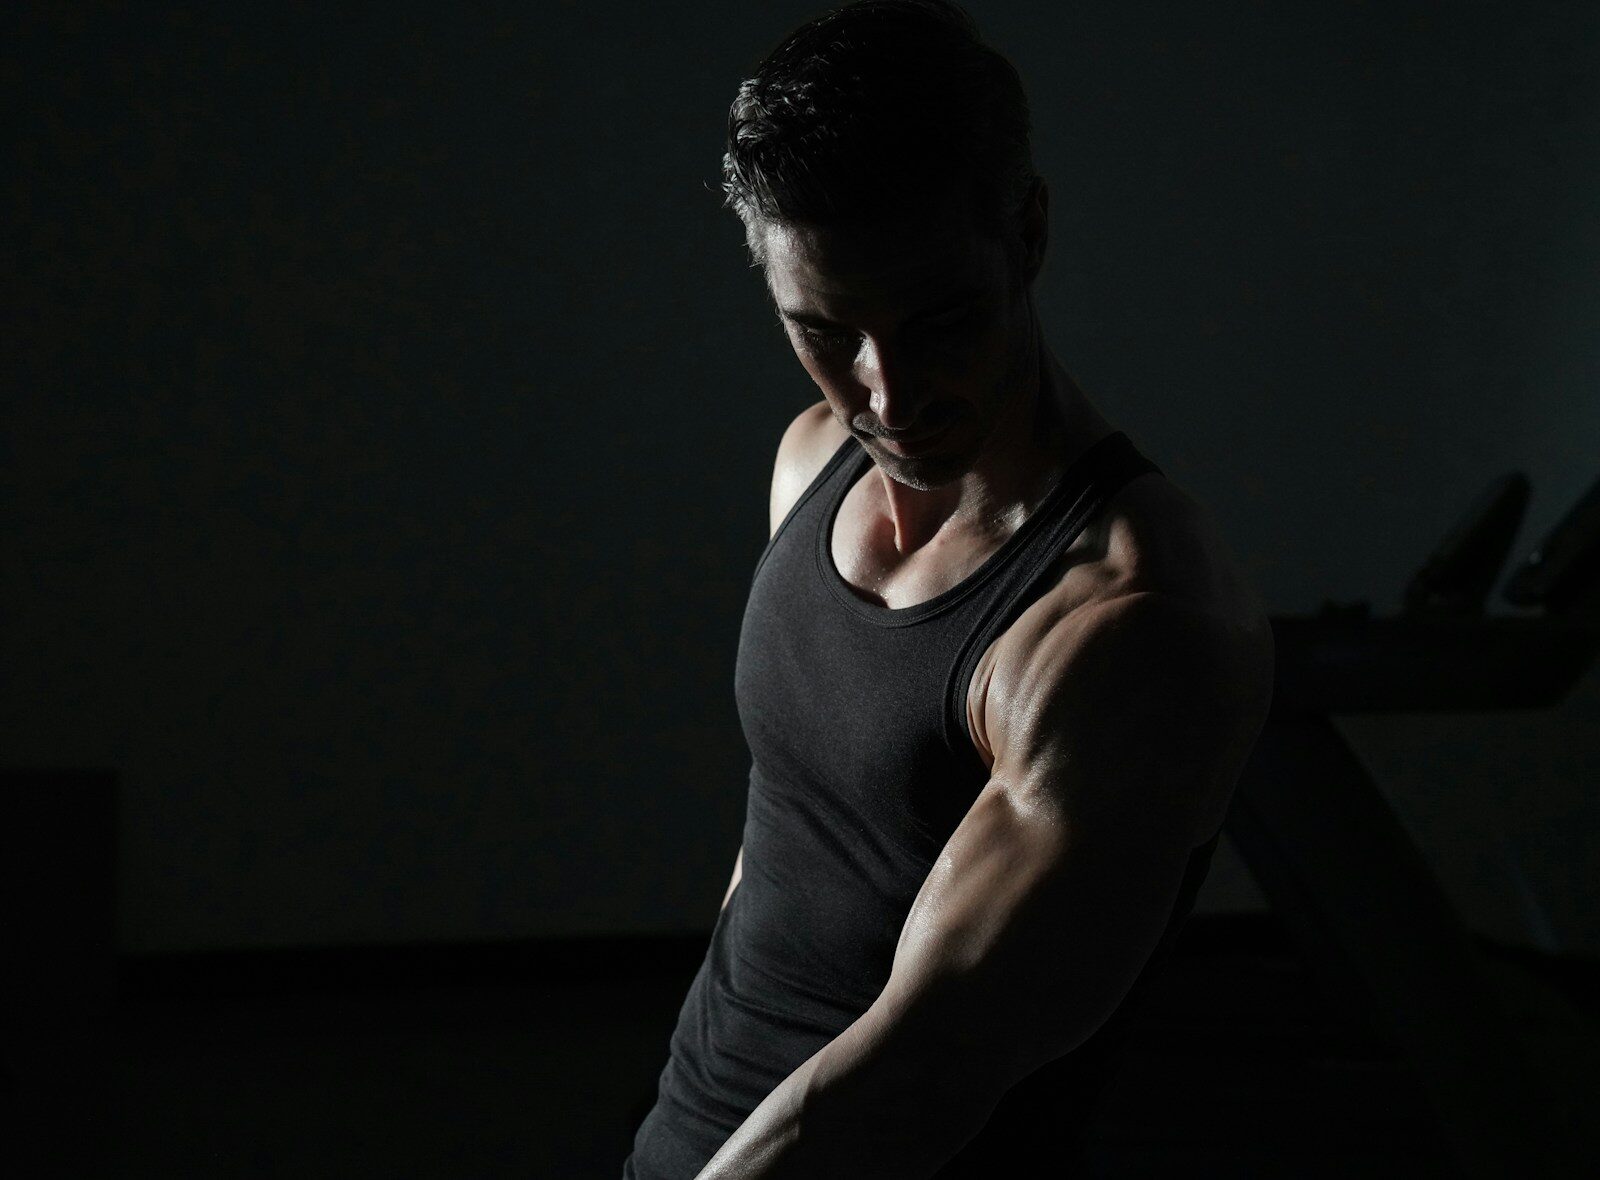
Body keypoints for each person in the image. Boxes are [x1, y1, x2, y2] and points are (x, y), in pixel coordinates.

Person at [624, 2, 1275, 1176]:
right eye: (824, 329)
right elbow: (779, 856)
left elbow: (927, 1066)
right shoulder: (810, 463)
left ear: (1025, 233)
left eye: (938, 321)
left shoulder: (1127, 625)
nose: (885, 392)